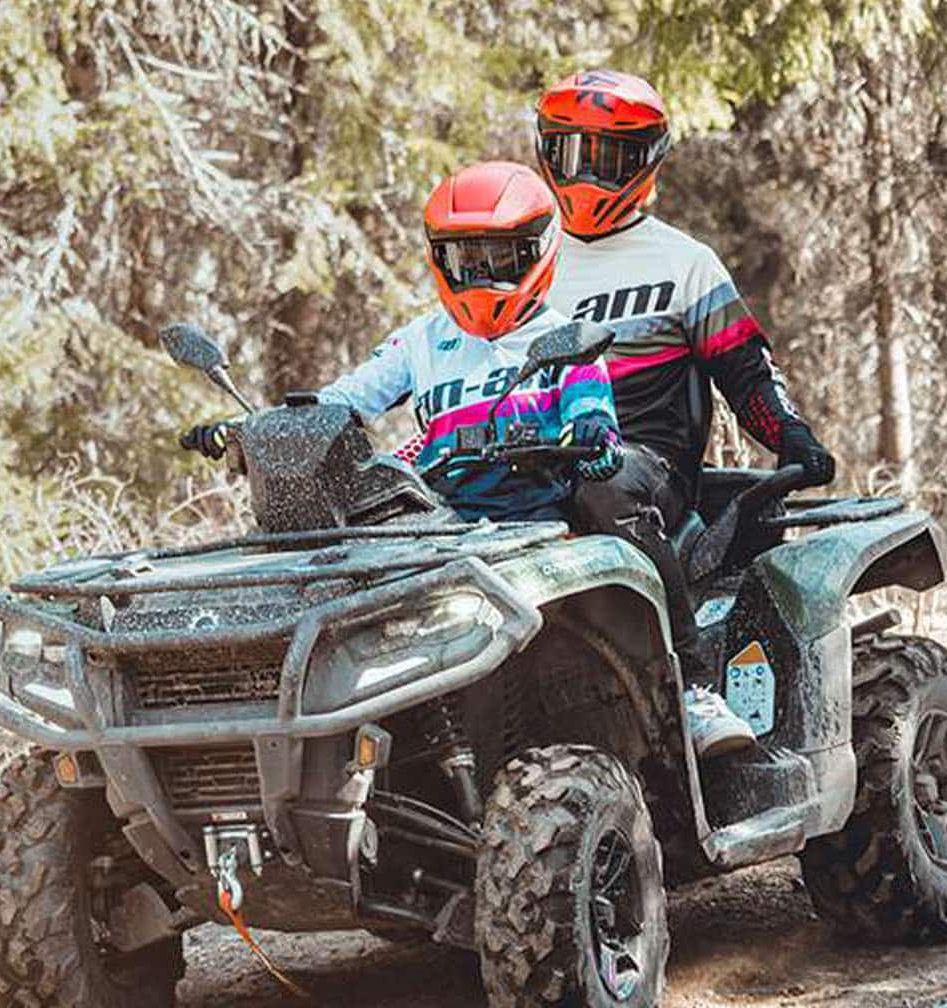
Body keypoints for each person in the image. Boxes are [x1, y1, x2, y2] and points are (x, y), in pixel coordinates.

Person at [197, 160, 756, 758]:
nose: (482, 277)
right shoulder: (421, 340)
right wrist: (254, 429)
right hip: (441, 522)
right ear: (439, 259)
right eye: (465, 260)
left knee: (613, 504)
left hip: (538, 520)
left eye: (502, 258)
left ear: (539, 251)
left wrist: (591, 442)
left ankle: (693, 690)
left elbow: (594, 414)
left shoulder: (569, 338)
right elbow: (341, 401)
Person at [534, 69, 834, 729]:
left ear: (645, 161)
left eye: (607, 158)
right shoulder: (525, 261)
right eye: (570, 153)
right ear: (544, 151)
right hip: (534, 457)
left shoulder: (683, 261)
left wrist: (790, 435)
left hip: (645, 463)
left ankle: (693, 685)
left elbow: (745, 371)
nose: (586, 176)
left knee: (601, 487)